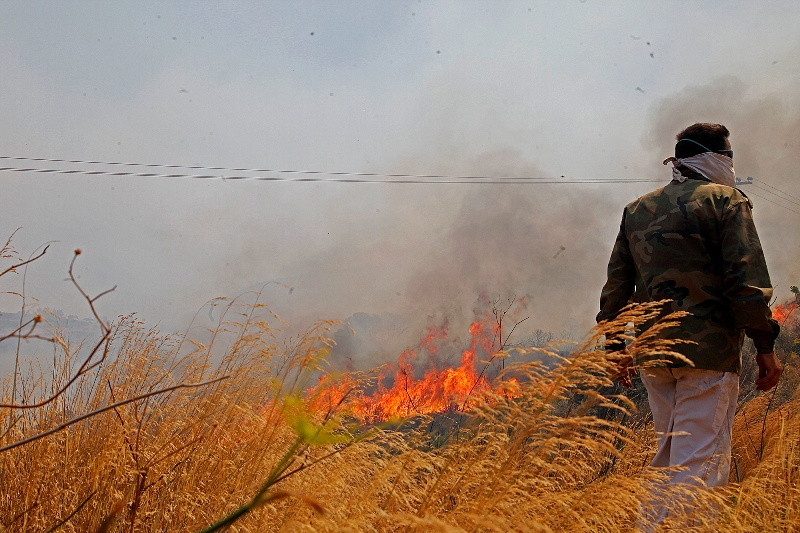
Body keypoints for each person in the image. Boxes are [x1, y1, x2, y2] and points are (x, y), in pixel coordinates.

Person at [596, 123, 782, 526]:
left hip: (654, 357)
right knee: (700, 467)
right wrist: (765, 346)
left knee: (669, 460)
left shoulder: (638, 209)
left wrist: (615, 346)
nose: (731, 164)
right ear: (714, 159)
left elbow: (616, 288)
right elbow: (745, 282)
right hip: (708, 356)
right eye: (728, 156)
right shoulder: (726, 202)